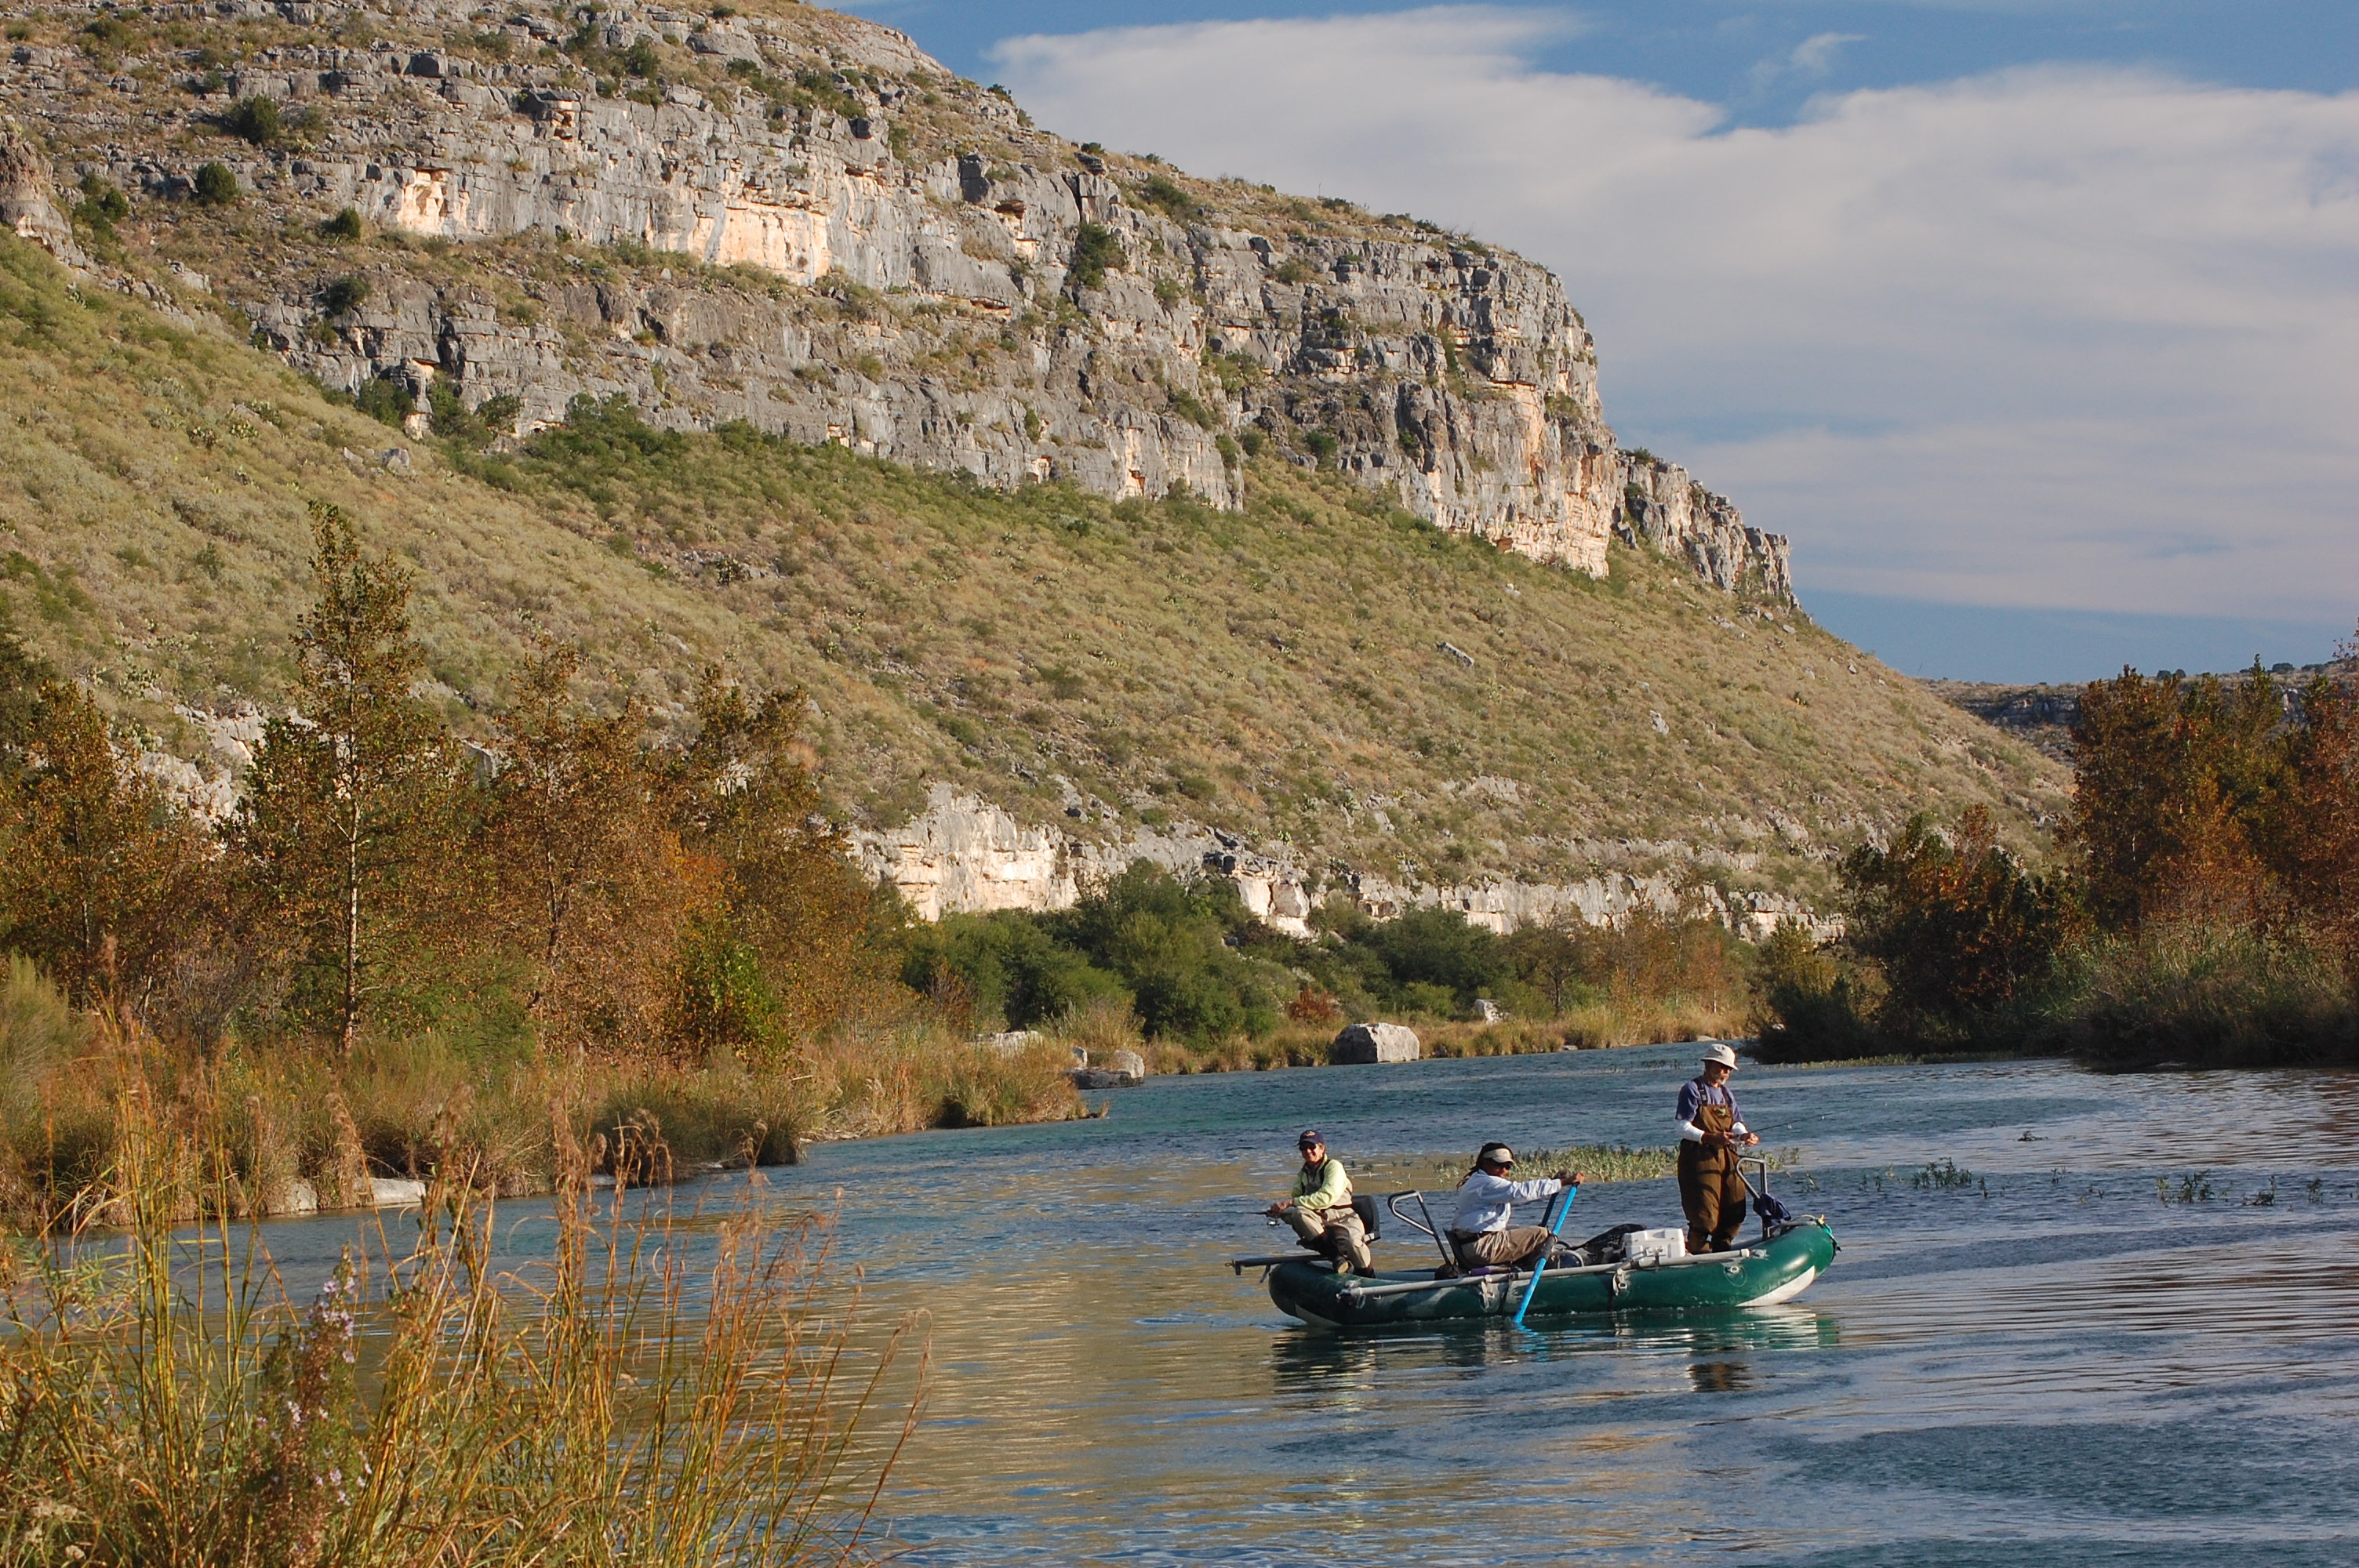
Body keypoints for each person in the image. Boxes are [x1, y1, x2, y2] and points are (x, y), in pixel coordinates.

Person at [1677, 1042, 1761, 1254]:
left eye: (1728, 1069)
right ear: (1708, 1065)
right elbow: (1682, 1126)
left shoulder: (1726, 1094)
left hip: (1728, 1156)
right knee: (1705, 1214)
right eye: (1721, 1067)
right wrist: (1709, 1137)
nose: (1725, 1072)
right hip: (1699, 1157)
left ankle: (1723, 1249)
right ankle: (1700, 1253)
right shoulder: (1692, 1090)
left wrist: (1744, 1135)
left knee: (1735, 1206)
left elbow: (1736, 1123)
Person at [1448, 1143, 1582, 1269]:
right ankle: (1557, 1268)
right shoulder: (1487, 1183)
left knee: (1527, 1230)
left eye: (1507, 1166)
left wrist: (1553, 1184)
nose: (1503, 1170)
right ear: (1485, 1162)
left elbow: (1522, 1196)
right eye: (1499, 1164)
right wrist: (1562, 1183)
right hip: (1482, 1248)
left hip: (1475, 1246)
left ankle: (1533, 1265)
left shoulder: (1480, 1182)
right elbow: (1519, 1192)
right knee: (1541, 1234)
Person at [1264, 1129, 1371, 1274]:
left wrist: (1289, 1203)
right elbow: (1296, 1202)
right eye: (1303, 1148)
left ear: (1322, 1149)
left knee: (1355, 1245)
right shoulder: (1302, 1175)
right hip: (1318, 1219)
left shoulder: (1334, 1167)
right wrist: (1279, 1211)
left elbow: (1326, 1197)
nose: (1308, 1151)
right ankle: (1336, 1258)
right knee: (1297, 1214)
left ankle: (1367, 1275)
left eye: (1312, 1147)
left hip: (1344, 1217)